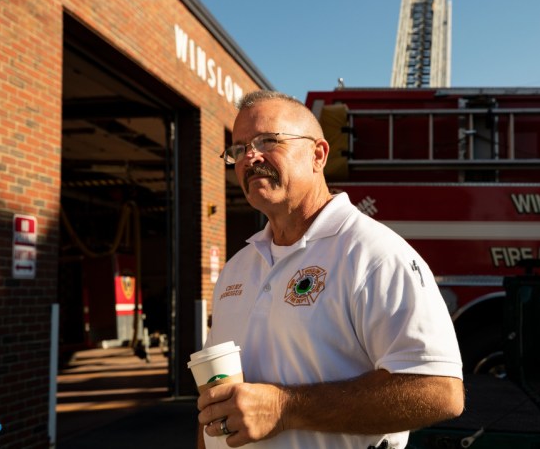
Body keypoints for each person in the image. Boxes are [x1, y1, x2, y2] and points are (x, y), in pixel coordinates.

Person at [197, 90, 464, 449]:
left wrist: (286, 408)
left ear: (318, 155)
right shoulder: (236, 270)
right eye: (239, 149)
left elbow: (440, 392)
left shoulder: (375, 255)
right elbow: (217, 404)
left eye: (268, 141)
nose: (250, 157)